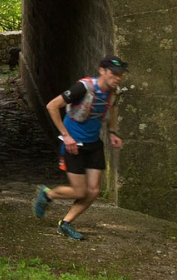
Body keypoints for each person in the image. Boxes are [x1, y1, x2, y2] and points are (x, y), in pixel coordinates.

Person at [31, 56, 126, 240]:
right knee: (80, 191)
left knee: (94, 191)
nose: (118, 77)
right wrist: (66, 136)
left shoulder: (113, 92)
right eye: (114, 73)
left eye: (120, 74)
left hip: (94, 145)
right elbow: (52, 106)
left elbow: (112, 109)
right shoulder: (83, 87)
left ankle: (65, 224)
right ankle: (47, 194)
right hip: (74, 145)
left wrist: (112, 132)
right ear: (102, 71)